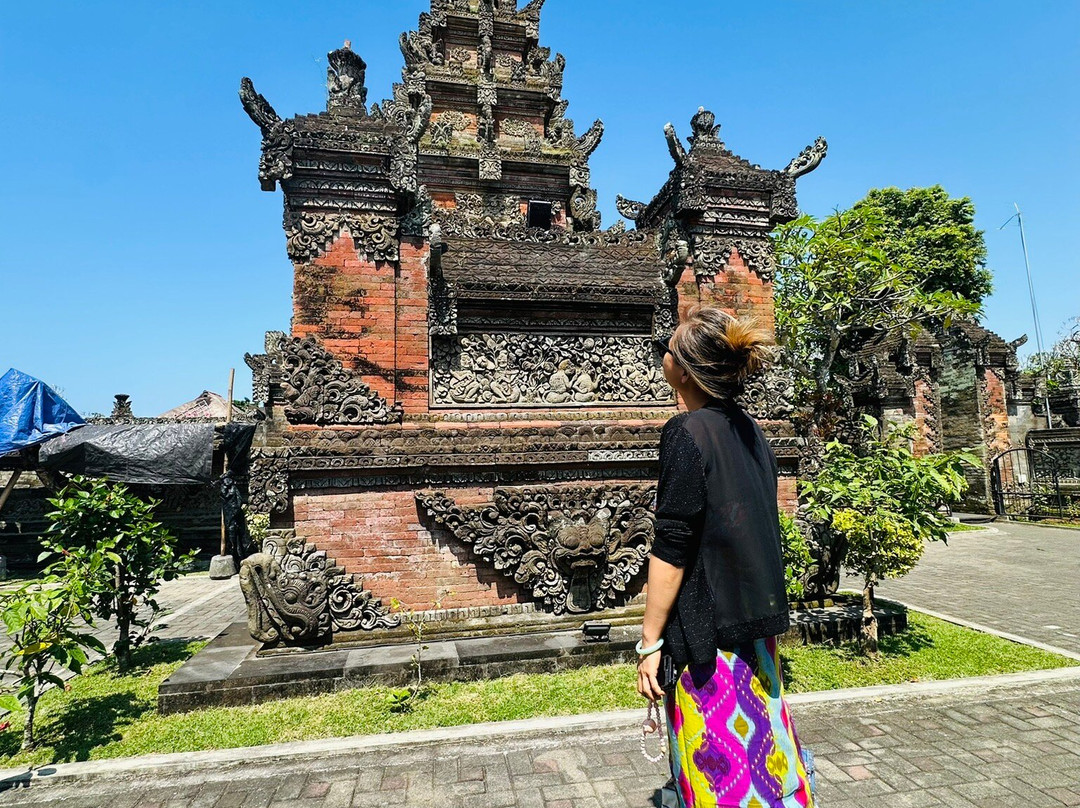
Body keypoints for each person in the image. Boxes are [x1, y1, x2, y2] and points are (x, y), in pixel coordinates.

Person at [637, 304, 815, 808]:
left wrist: (649, 643)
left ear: (685, 370)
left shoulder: (686, 433)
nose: (662, 355)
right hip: (756, 627)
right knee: (767, 756)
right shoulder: (751, 430)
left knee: (718, 769)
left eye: (667, 350)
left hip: (708, 640)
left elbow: (672, 546)